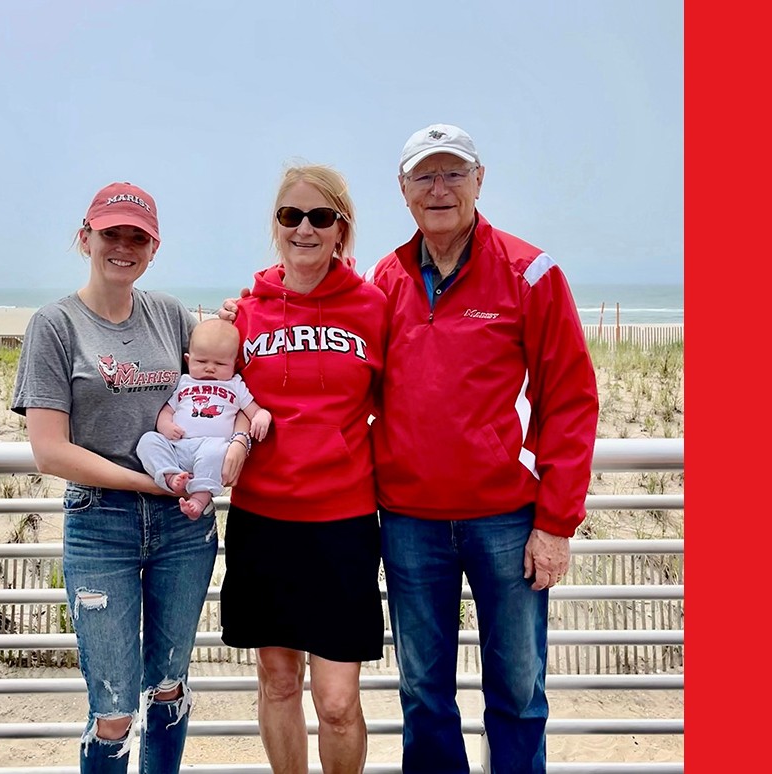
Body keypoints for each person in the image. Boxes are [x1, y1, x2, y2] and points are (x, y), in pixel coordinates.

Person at [221, 125, 599, 773]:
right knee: (424, 693)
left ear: (480, 180)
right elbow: (326, 374)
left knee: (517, 690)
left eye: (454, 173)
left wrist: (556, 523)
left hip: (505, 519)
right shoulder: (385, 281)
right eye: (425, 176)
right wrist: (234, 324)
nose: (439, 188)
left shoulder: (531, 273)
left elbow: (567, 398)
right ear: (402, 191)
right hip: (406, 521)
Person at [10, 181, 248, 774]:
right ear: (84, 237)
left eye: (137, 237)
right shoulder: (55, 325)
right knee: (113, 706)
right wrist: (152, 482)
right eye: (110, 233)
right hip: (102, 524)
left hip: (182, 527)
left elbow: (220, 384)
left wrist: (240, 438)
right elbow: (49, 451)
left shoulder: (169, 315)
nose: (123, 246)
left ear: (154, 247)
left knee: (168, 684)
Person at [218, 164, 388, 774]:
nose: (305, 229)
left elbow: (403, 401)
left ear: (342, 229)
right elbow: (210, 387)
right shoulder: (247, 309)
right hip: (263, 520)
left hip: (342, 522)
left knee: (339, 701)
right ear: (276, 225)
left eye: (321, 217)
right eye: (292, 216)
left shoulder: (374, 307)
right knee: (279, 682)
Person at [136, 318, 272, 519]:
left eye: (219, 363)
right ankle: (171, 475)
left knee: (217, 450)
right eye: (201, 362)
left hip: (210, 449)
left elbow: (254, 410)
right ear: (187, 360)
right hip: (178, 447)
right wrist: (165, 426)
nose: (210, 368)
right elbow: (167, 410)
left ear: (234, 365)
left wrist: (262, 416)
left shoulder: (235, 385)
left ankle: (200, 498)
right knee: (148, 440)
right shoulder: (184, 383)